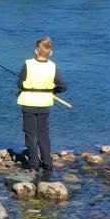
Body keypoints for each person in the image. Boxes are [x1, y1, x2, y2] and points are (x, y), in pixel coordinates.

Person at [17, 36, 67, 177]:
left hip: (28, 104)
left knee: (30, 134)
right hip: (44, 104)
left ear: (35, 51)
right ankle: (48, 163)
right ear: (50, 53)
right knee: (43, 134)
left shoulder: (28, 64)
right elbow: (63, 86)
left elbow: (20, 84)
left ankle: (34, 166)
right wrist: (52, 91)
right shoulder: (52, 66)